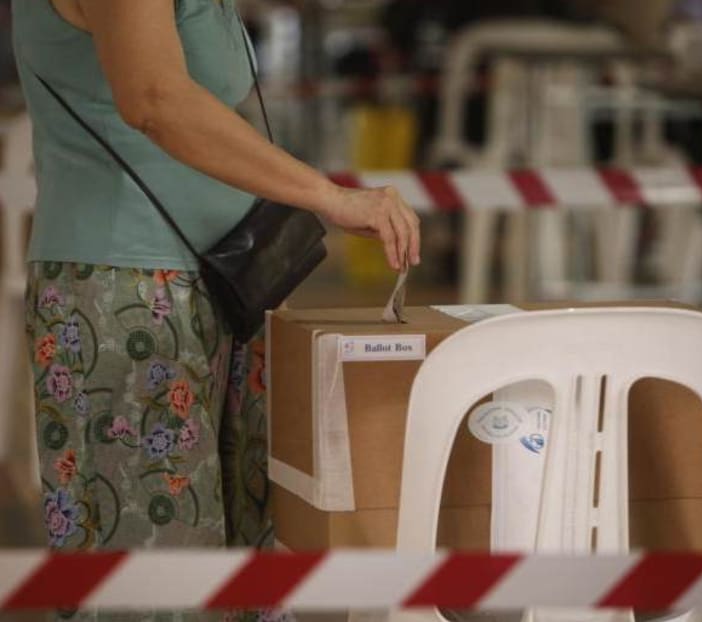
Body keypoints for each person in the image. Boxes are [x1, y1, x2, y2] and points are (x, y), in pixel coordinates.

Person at [12, 0, 420, 620]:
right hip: (127, 295)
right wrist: (329, 197)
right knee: (157, 575)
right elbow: (155, 100)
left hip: (226, 280)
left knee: (239, 571)